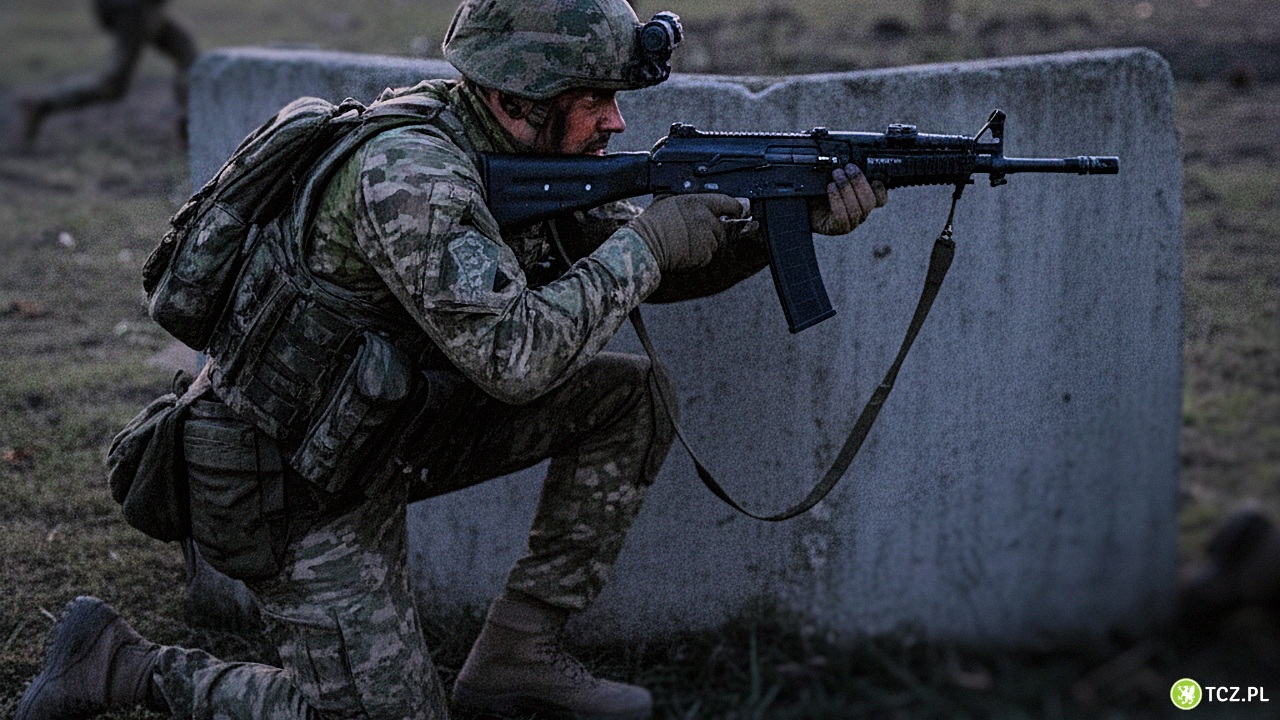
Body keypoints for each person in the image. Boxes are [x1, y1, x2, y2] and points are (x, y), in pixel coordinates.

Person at [15, 1, 887, 719]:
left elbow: (627, 270)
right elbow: (519, 358)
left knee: (629, 396)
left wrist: (783, 226)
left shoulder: (511, 146)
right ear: (520, 97)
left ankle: (518, 655)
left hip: (381, 427)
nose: (616, 121)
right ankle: (127, 666)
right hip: (286, 481)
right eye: (594, 100)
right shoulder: (414, 177)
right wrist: (653, 246)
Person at [14, 0, 197, 146]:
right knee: (112, 85)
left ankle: (190, 118)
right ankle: (41, 103)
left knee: (185, 50)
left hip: (136, 8)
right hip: (132, 9)